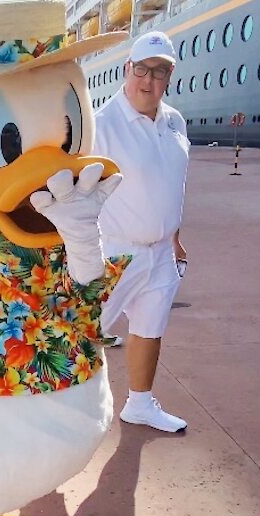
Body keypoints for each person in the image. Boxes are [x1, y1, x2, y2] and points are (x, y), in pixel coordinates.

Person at [94, 30, 191, 433]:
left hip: (161, 253)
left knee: (150, 330)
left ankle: (140, 404)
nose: (148, 80)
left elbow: (173, 183)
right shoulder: (100, 125)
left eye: (160, 71)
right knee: (80, 335)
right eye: (142, 69)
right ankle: (48, 414)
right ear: (126, 68)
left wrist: (175, 237)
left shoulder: (175, 120)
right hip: (114, 252)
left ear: (169, 77)